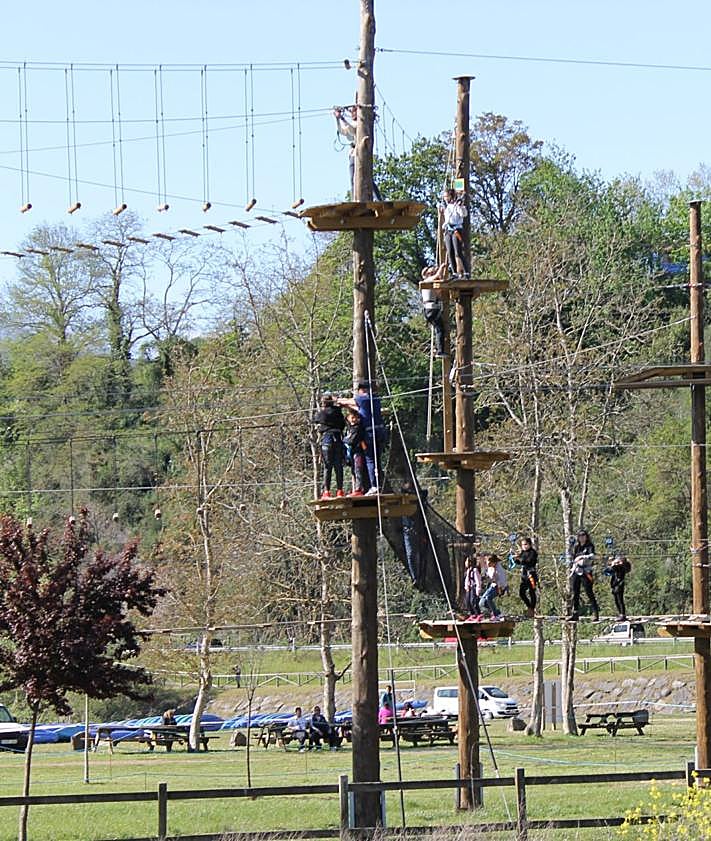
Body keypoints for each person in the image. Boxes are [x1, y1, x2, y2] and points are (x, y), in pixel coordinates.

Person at [339, 382, 386, 495]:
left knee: (370, 460)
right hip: (381, 432)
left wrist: (338, 400)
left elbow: (348, 401)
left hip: (369, 433)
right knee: (377, 460)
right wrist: (348, 406)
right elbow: (359, 408)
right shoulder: (375, 398)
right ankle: (379, 484)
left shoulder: (361, 398)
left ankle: (374, 486)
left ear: (360, 390)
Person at [333, 106, 382, 200]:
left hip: (360, 154)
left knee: (366, 177)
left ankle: (376, 198)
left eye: (353, 112)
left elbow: (352, 130)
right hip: (353, 154)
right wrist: (337, 119)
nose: (352, 114)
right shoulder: (353, 123)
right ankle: (354, 198)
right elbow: (343, 131)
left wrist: (342, 118)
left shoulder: (361, 124)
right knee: (353, 179)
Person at [314, 392, 346, 499]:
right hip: (337, 438)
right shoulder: (338, 412)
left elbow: (316, 419)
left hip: (327, 439)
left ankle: (326, 491)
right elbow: (342, 425)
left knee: (328, 466)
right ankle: (340, 490)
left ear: (323, 403)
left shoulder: (322, 413)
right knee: (338, 466)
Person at [568, 529, 600, 621]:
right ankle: (575, 613)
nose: (582, 538)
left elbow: (592, 556)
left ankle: (595, 612)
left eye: (583, 536)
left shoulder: (590, 546)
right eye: (580, 536)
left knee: (589, 591)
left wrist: (583, 557)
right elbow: (573, 557)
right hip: (576, 570)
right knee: (575, 592)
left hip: (586, 571)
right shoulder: (576, 547)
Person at [439, 188, 469, 278]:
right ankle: (454, 273)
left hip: (456, 229)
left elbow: (463, 214)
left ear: (450, 196)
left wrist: (460, 206)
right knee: (450, 252)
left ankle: (466, 272)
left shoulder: (457, 205)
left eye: (446, 196)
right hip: (448, 230)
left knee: (458, 252)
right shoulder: (446, 206)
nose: (445, 198)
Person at [420, 264, 448, 357]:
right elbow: (436, 276)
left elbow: (440, 291)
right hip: (431, 309)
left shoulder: (430, 285)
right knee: (440, 330)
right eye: (431, 273)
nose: (433, 274)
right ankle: (439, 351)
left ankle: (438, 349)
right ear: (427, 274)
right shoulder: (427, 281)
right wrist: (442, 267)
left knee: (439, 329)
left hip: (430, 309)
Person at [343, 407, 368, 496]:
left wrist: (344, 440)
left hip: (358, 452)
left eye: (355, 418)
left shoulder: (358, 428)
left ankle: (359, 489)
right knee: (354, 470)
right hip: (351, 452)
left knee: (358, 470)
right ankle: (356, 488)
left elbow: (351, 440)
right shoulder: (349, 428)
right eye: (351, 418)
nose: (354, 420)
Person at [514, 537, 539, 618]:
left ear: (529, 544)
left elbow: (529, 561)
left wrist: (520, 559)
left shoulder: (533, 552)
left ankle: (532, 609)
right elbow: (519, 562)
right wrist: (515, 558)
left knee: (532, 592)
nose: (524, 546)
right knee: (521, 593)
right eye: (522, 545)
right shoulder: (523, 553)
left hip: (531, 574)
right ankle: (529, 607)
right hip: (524, 575)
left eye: (525, 544)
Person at [604, 553, 632, 620]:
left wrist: (613, 563)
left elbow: (615, 567)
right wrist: (610, 562)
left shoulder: (621, 567)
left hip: (619, 585)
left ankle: (622, 614)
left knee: (620, 600)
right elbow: (607, 571)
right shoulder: (616, 568)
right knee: (616, 600)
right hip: (614, 585)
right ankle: (620, 613)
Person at [479, 554, 507, 620]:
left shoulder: (499, 569)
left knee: (488, 598)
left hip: (499, 587)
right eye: (487, 563)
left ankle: (496, 615)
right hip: (492, 586)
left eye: (489, 563)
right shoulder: (489, 568)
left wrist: (500, 589)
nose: (488, 564)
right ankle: (496, 612)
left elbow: (502, 580)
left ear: (493, 562)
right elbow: (487, 574)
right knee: (482, 602)